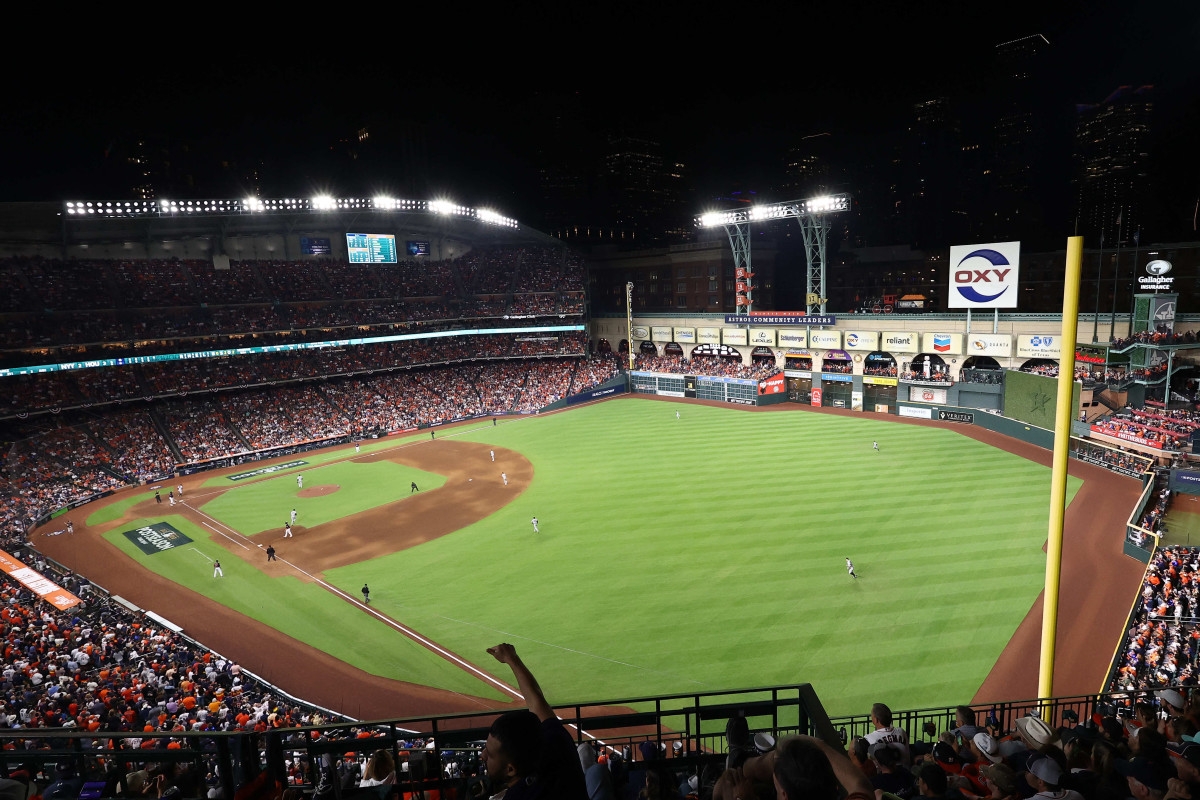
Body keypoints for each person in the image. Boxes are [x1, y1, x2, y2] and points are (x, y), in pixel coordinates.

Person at [481, 643, 588, 799]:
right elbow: (536, 701)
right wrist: (512, 658)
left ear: (510, 769)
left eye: (490, 755)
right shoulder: (558, 747)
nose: (483, 755)